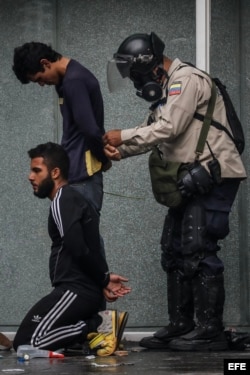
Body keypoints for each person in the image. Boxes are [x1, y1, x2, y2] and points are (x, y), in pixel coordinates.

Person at [103, 32, 247, 351]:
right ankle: (182, 324)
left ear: (150, 66)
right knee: (174, 249)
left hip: (213, 172)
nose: (135, 83)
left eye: (135, 75)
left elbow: (169, 128)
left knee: (198, 247)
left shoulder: (186, 80)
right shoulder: (167, 90)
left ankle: (210, 329)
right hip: (190, 175)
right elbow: (153, 133)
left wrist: (120, 135)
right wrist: (120, 150)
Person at [13, 142, 131, 356]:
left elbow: (76, 246)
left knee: (27, 342)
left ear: (55, 172)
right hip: (80, 290)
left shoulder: (62, 199)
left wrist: (103, 279)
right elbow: (89, 248)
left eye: (37, 170)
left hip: (74, 290)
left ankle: (98, 325)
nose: (31, 176)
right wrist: (102, 278)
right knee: (29, 340)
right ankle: (94, 331)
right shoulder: (75, 200)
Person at [12, 43, 110, 292]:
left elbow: (89, 129)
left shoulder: (75, 80)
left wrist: (103, 158)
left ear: (46, 63)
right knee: (72, 240)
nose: (42, 84)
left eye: (40, 78)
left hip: (81, 175)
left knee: (85, 243)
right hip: (74, 171)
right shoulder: (66, 81)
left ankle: (94, 308)